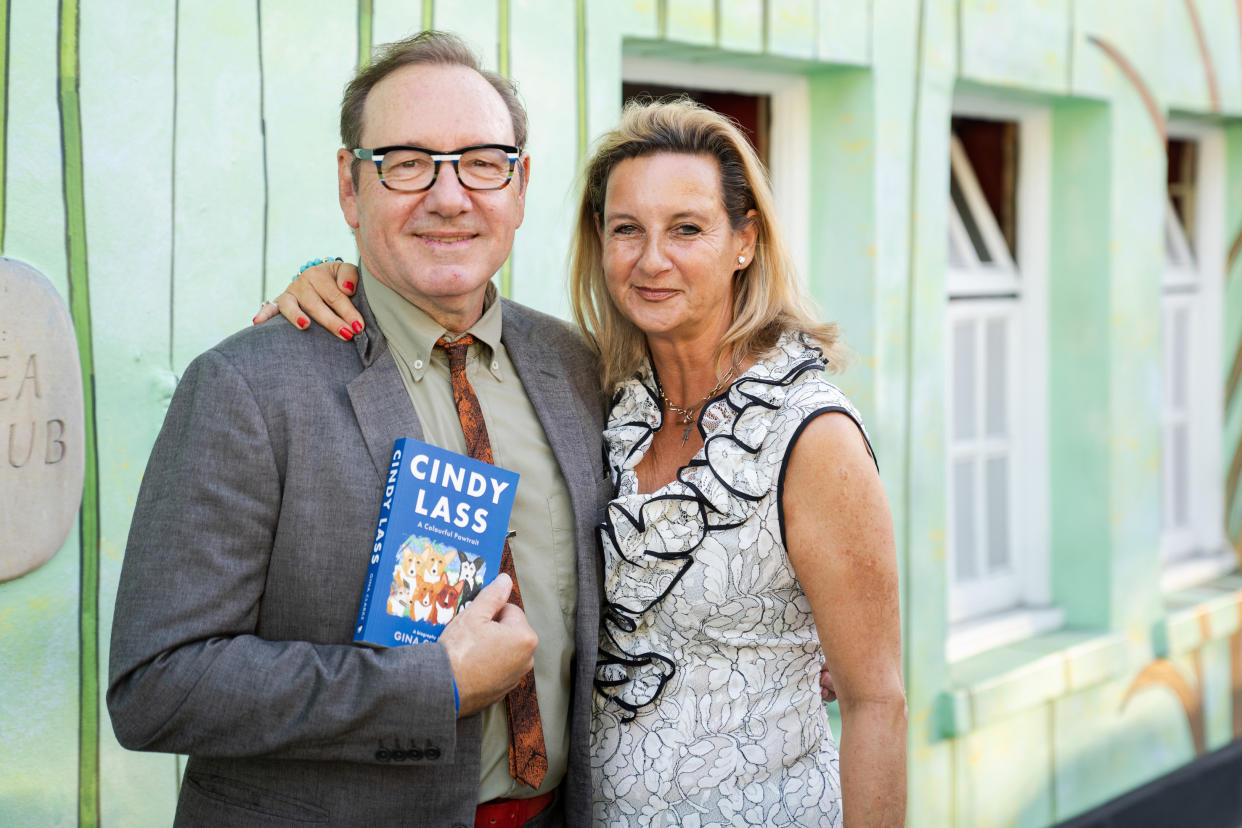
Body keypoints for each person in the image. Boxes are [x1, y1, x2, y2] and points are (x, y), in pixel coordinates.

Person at [276, 98, 907, 826]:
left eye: (688, 229)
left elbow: (876, 700)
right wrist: (330, 277)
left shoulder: (811, 433)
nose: (651, 259)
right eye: (626, 229)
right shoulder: (600, 395)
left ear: (745, 241)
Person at [107, 32, 610, 828]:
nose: (450, 197)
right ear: (351, 186)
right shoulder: (246, 388)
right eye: (406, 163)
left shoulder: (579, 369)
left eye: (483, 162)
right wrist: (431, 685)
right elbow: (157, 687)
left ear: (519, 187)